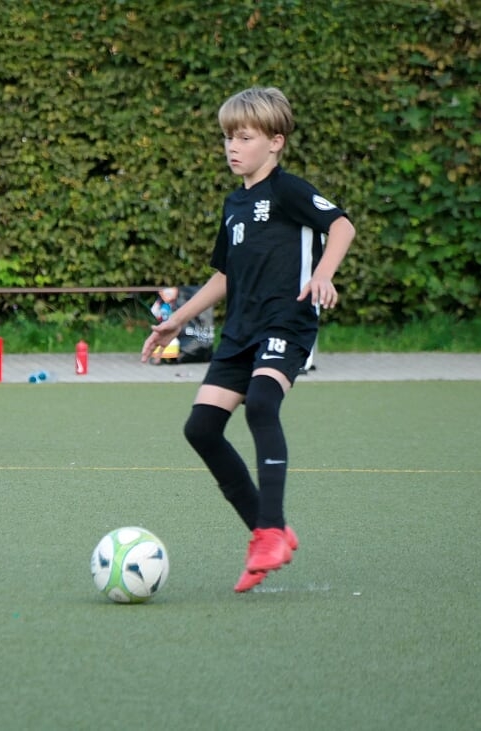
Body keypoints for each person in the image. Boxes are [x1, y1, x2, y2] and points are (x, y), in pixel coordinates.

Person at [141, 87, 355, 593]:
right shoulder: (234, 204)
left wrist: (323, 274)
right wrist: (177, 320)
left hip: (286, 322)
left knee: (261, 404)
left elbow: (341, 226)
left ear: (275, 142)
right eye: (228, 138)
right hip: (240, 330)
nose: (232, 147)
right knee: (201, 429)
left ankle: (271, 532)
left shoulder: (288, 190)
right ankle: (266, 527)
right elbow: (225, 276)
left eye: (244, 137)